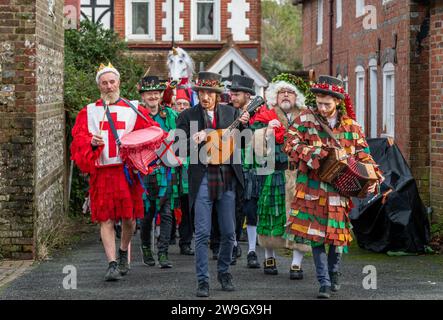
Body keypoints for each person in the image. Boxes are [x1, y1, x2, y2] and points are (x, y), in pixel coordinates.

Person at [284, 75, 383, 298]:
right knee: (316, 235)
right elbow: (289, 143)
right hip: (312, 187)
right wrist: (315, 154)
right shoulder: (305, 118)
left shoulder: (352, 126)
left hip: (340, 189)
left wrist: (372, 177)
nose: (322, 107)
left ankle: (334, 272)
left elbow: (363, 155)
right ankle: (324, 283)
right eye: (319, 103)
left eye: (327, 104)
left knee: (337, 237)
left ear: (337, 101)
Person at [70, 63, 159, 281]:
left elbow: (148, 136)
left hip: (126, 172)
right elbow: (78, 141)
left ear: (118, 83)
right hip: (102, 173)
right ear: (99, 86)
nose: (109, 86)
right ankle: (111, 264)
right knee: (106, 219)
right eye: (104, 83)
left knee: (129, 219)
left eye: (112, 82)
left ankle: (123, 250)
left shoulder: (134, 109)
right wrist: (91, 142)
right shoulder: (89, 111)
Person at [176, 72, 250, 297]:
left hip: (226, 176)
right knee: (202, 233)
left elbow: (244, 143)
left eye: (210, 93)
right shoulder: (187, 116)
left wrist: (245, 127)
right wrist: (193, 140)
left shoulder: (231, 113)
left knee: (229, 232)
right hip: (202, 179)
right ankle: (202, 280)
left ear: (218, 95)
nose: (205, 97)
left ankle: (224, 272)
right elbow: (178, 149)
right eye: (201, 93)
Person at [251, 74, 312, 279]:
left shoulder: (306, 118)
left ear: (297, 97)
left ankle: (296, 263)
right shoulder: (265, 116)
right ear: (274, 97)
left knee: (300, 218)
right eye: (281, 92)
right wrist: (267, 131)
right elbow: (256, 148)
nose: (285, 96)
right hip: (274, 172)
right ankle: (269, 255)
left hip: (299, 175)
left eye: (290, 92)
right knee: (271, 214)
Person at [138, 76, 180, 268]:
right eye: (149, 93)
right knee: (147, 212)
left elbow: (179, 138)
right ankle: (146, 248)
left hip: (166, 169)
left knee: (166, 212)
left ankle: (163, 253)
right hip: (144, 170)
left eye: (156, 93)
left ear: (161, 94)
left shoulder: (170, 115)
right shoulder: (136, 115)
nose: (153, 96)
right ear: (143, 96)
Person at [228, 74, 263, 268]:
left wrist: (247, 124)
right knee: (232, 209)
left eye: (236, 94)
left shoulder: (259, 115)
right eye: (231, 93)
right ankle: (233, 246)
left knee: (251, 209)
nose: (232, 97)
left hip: (251, 167)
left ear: (248, 96)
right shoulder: (226, 112)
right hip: (231, 166)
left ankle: (251, 250)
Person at [172, 89, 195, 255]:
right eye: (179, 104)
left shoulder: (193, 120)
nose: (182, 106)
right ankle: (168, 236)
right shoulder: (170, 119)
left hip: (189, 169)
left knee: (187, 207)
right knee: (169, 205)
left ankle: (185, 241)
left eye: (185, 104)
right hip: (171, 168)